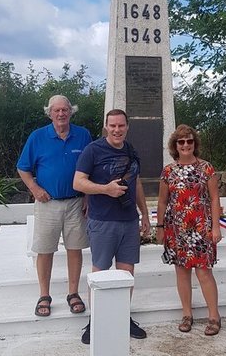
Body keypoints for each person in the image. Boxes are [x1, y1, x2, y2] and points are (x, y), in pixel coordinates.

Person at [73, 109, 150, 344]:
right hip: (103, 221)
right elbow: (78, 182)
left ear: (127, 127)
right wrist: (105, 189)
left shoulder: (131, 151)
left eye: (121, 126)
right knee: (100, 274)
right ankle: (95, 320)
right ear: (106, 126)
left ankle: (122, 317)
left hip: (128, 221)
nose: (117, 130)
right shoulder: (93, 150)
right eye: (112, 126)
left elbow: (135, 184)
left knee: (126, 274)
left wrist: (144, 213)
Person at [17, 95, 92, 318]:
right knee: (45, 250)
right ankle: (44, 295)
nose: (61, 114)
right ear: (49, 113)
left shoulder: (83, 135)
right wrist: (34, 188)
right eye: (56, 110)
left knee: (75, 248)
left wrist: (88, 195)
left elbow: (92, 166)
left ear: (71, 111)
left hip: (76, 202)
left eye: (65, 110)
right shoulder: (37, 137)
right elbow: (23, 167)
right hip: (47, 203)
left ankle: (73, 293)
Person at [156, 125, 222, 336]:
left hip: (201, 228)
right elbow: (162, 201)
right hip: (177, 229)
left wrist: (215, 227)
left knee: (204, 272)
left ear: (195, 144)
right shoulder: (168, 171)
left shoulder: (206, 168)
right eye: (181, 142)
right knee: (182, 272)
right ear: (175, 145)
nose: (186, 145)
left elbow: (214, 198)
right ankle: (187, 314)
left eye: (189, 141)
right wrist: (159, 227)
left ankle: (214, 316)